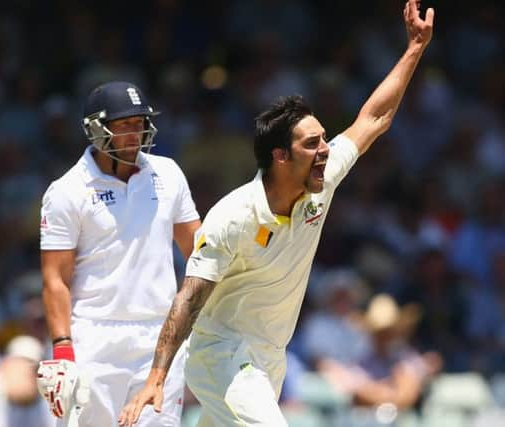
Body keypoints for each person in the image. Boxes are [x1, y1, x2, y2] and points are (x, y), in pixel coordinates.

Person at [119, 2, 434, 426]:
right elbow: (189, 297)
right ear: (280, 156)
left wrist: (414, 47)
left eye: (324, 139)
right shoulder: (233, 216)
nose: (325, 150)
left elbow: (374, 117)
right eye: (312, 144)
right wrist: (157, 376)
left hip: (269, 359)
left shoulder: (319, 182)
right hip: (221, 355)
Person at [36, 81, 201, 427]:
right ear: (97, 129)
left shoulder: (168, 174)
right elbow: (55, 280)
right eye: (123, 125)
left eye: (139, 123)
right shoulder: (67, 191)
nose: (134, 133)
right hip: (95, 338)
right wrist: (63, 350)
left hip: (161, 333)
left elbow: (200, 252)